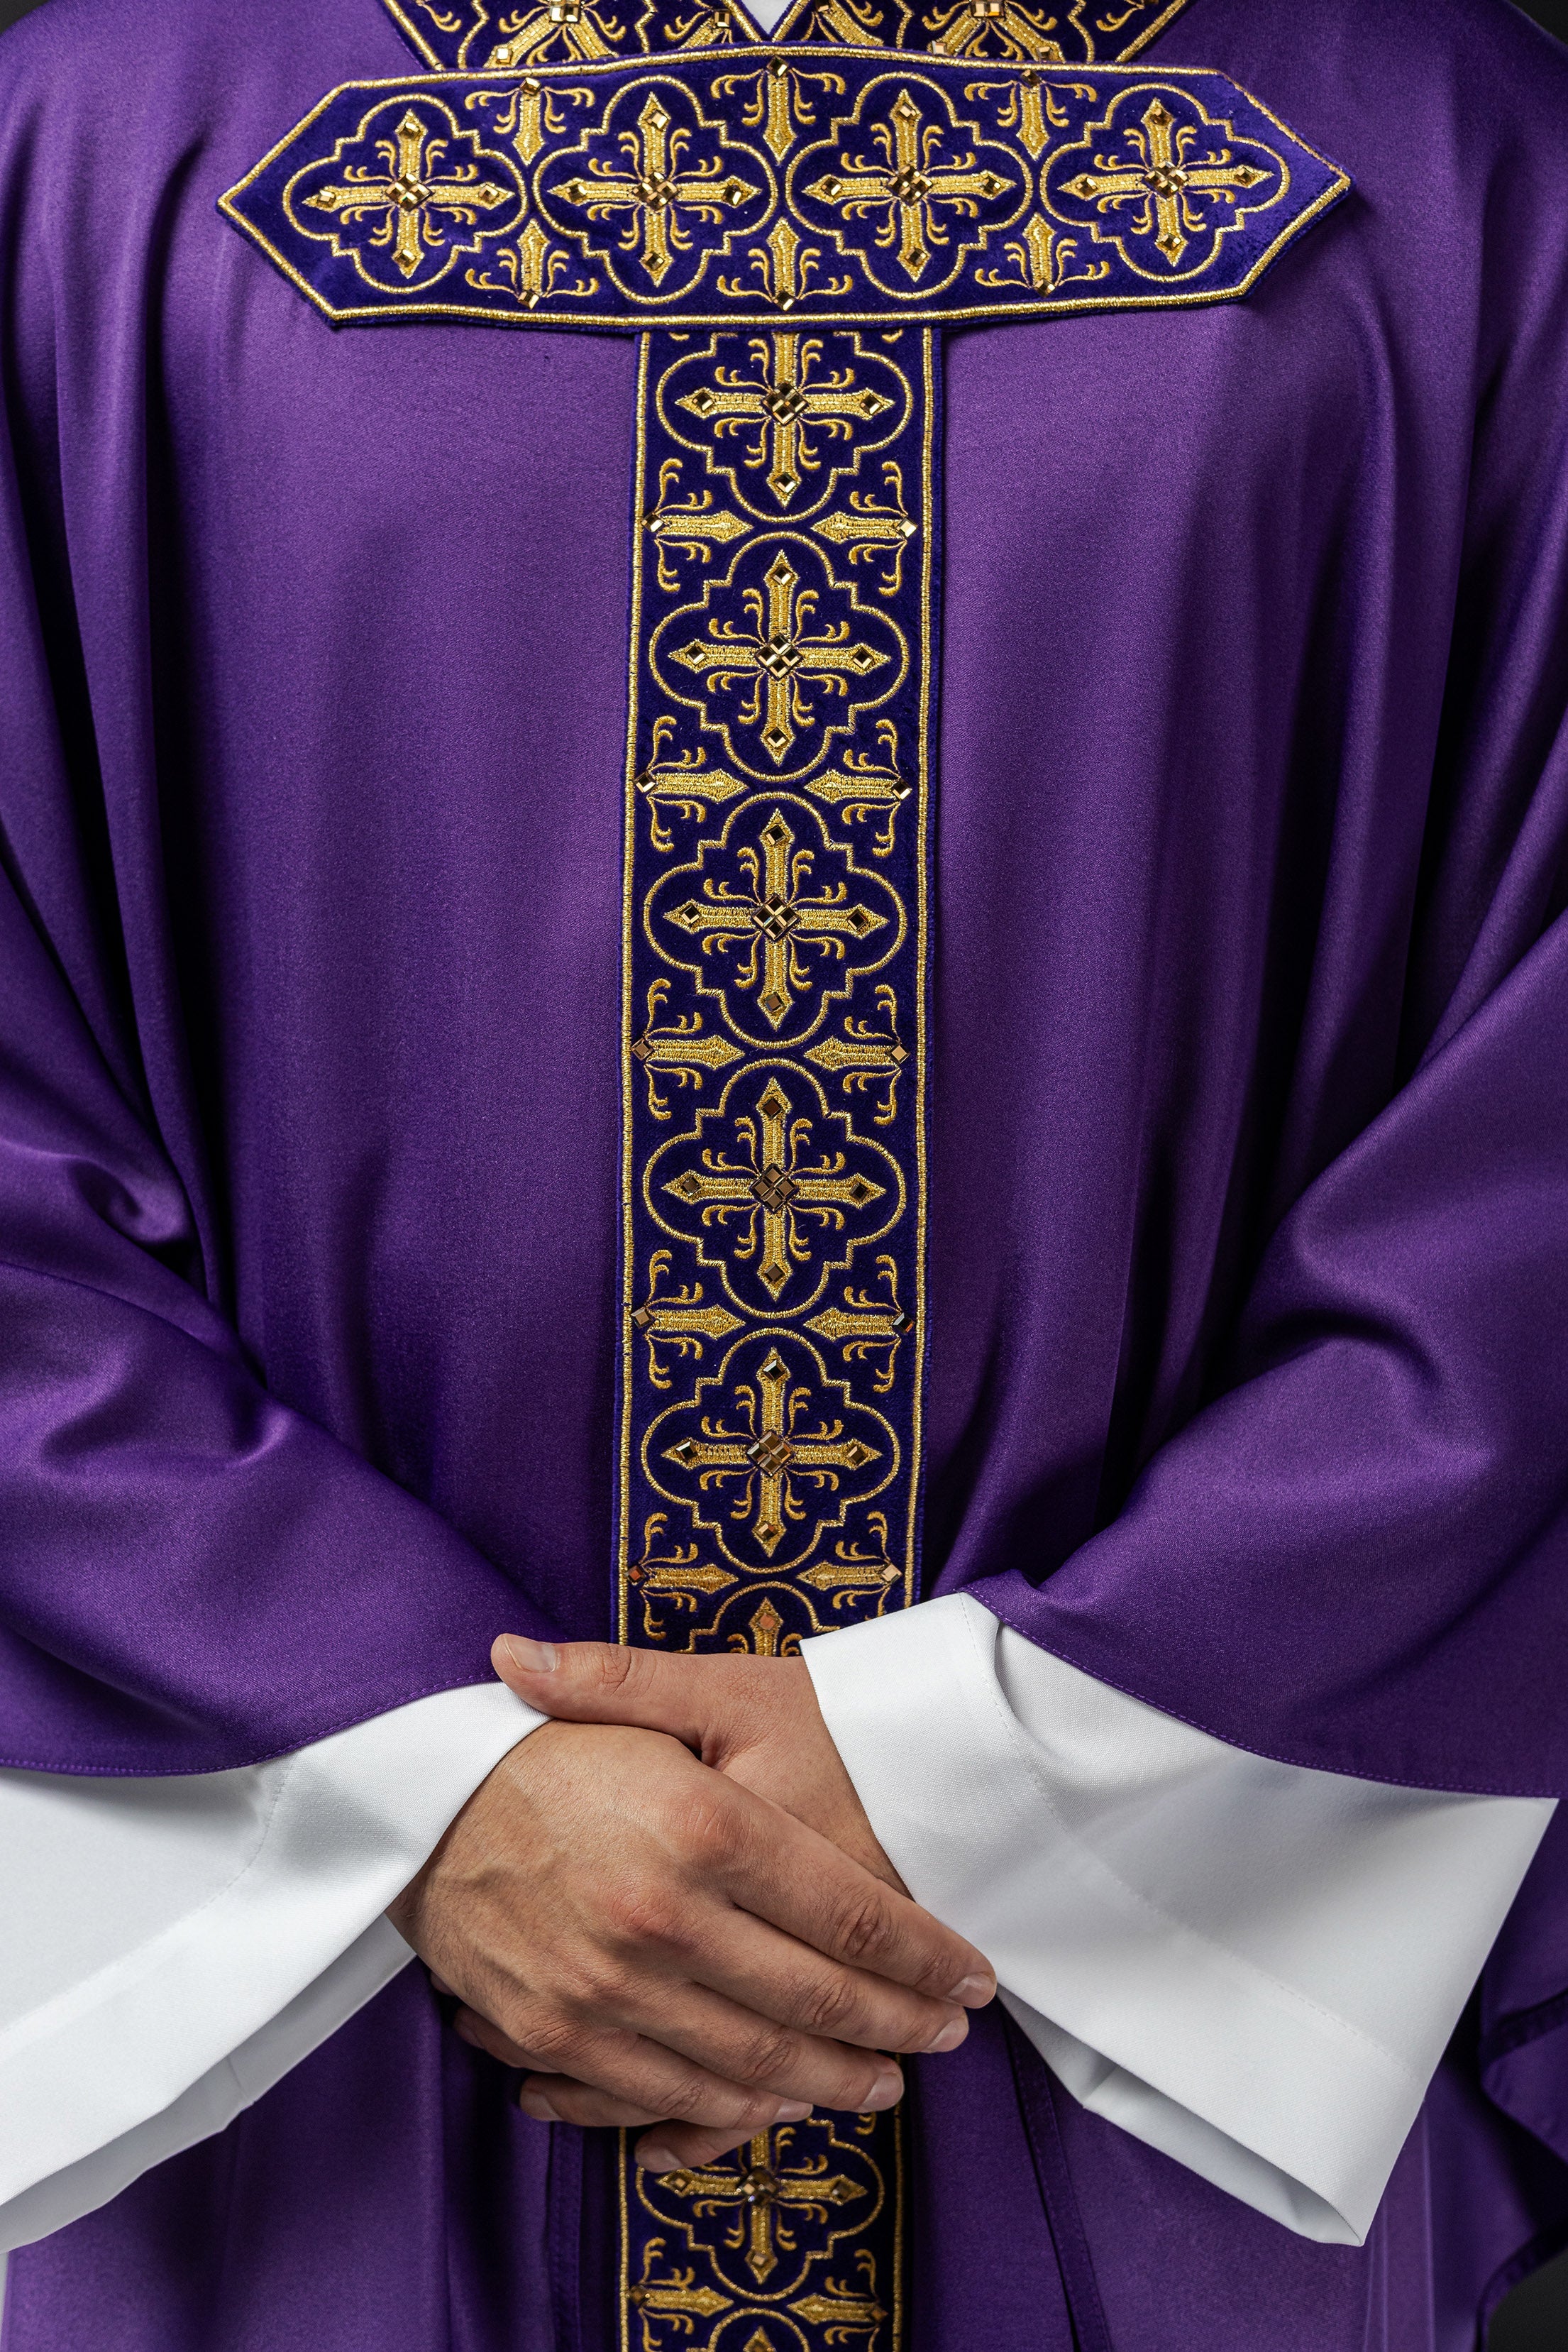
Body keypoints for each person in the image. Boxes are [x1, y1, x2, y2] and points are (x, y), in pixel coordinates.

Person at [1, 0, 1567, 2344]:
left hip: (1135, 1961)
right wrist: (422, 1771)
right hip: (301, 2017)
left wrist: (1000, 1761)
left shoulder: (1452, 161)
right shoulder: (91, 133)